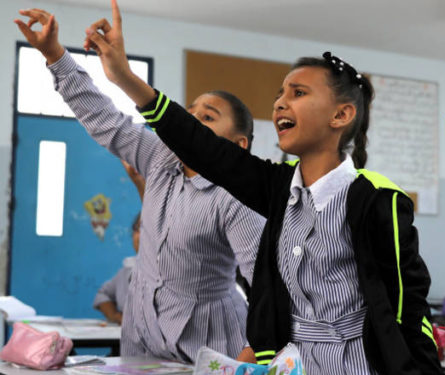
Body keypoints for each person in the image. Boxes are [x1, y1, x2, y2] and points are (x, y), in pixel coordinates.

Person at [79, 2, 440, 373]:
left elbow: (408, 306)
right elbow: (203, 148)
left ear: (341, 115)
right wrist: (124, 77)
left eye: (298, 93)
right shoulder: (276, 189)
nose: (281, 102)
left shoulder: (375, 199)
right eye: (280, 94)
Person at [15, 6, 265, 362]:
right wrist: (55, 54)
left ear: (240, 144)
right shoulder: (160, 157)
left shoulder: (237, 197)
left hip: (210, 342)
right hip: (143, 329)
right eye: (190, 112)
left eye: (207, 117)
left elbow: (269, 283)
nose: (192, 121)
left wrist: (254, 350)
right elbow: (104, 117)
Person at [93, 213, 140, 324]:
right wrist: (116, 316)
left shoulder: (174, 269)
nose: (140, 234)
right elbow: (103, 295)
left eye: (147, 227)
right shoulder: (127, 269)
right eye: (138, 228)